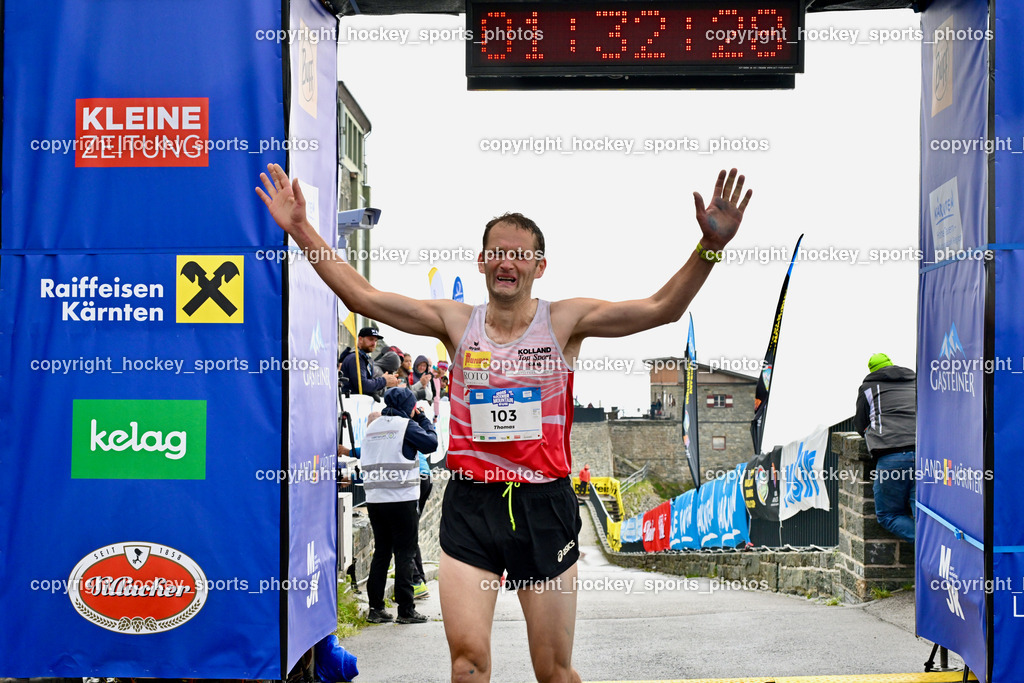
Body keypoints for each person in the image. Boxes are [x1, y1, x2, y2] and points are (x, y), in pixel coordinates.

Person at [258, 163, 752, 682]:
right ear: (481, 262)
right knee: (468, 664)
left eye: (520, 254)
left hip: (544, 507)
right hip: (472, 507)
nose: (507, 262)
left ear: (540, 265)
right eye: (497, 252)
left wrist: (709, 247)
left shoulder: (565, 322)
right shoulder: (455, 323)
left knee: (554, 673)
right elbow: (363, 297)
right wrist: (300, 229)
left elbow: (662, 308)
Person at [361, 387, 437, 624]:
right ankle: (406, 609)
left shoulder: (372, 427)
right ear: (408, 405)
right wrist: (423, 418)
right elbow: (431, 444)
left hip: (375, 501)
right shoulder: (406, 425)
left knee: (382, 553)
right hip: (402, 499)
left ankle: (376, 609)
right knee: (405, 552)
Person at [854, 353, 917, 543]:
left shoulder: (868, 388)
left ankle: (929, 546)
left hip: (891, 457)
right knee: (925, 514)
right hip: (925, 456)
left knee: (888, 515)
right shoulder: (916, 383)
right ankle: (938, 548)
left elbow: (860, 424)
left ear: (872, 371)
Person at [340, 327, 399, 397]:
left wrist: (384, 381)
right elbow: (363, 386)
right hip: (352, 404)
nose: (374, 343)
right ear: (360, 339)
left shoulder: (365, 358)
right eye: (371, 339)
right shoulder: (355, 358)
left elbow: (366, 386)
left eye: (376, 340)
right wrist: (383, 380)